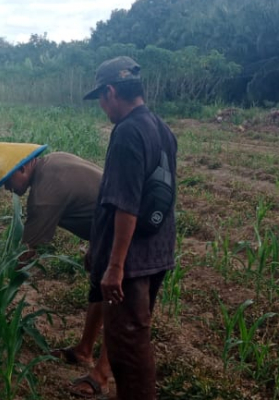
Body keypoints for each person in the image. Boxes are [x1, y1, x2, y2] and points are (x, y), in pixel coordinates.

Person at [0, 142, 113, 398]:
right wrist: (95, 243)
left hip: (128, 231)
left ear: (23, 168)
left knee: (116, 300)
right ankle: (84, 350)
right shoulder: (53, 160)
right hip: (107, 230)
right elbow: (93, 198)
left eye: (8, 182)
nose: (8, 190)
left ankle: (103, 374)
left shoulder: (44, 193)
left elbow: (26, 253)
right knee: (99, 291)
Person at [83, 56, 178, 400]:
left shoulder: (126, 132)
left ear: (111, 91)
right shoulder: (160, 127)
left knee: (127, 349)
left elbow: (126, 204)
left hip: (132, 262)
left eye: (101, 99)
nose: (102, 107)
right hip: (157, 254)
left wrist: (115, 265)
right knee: (136, 336)